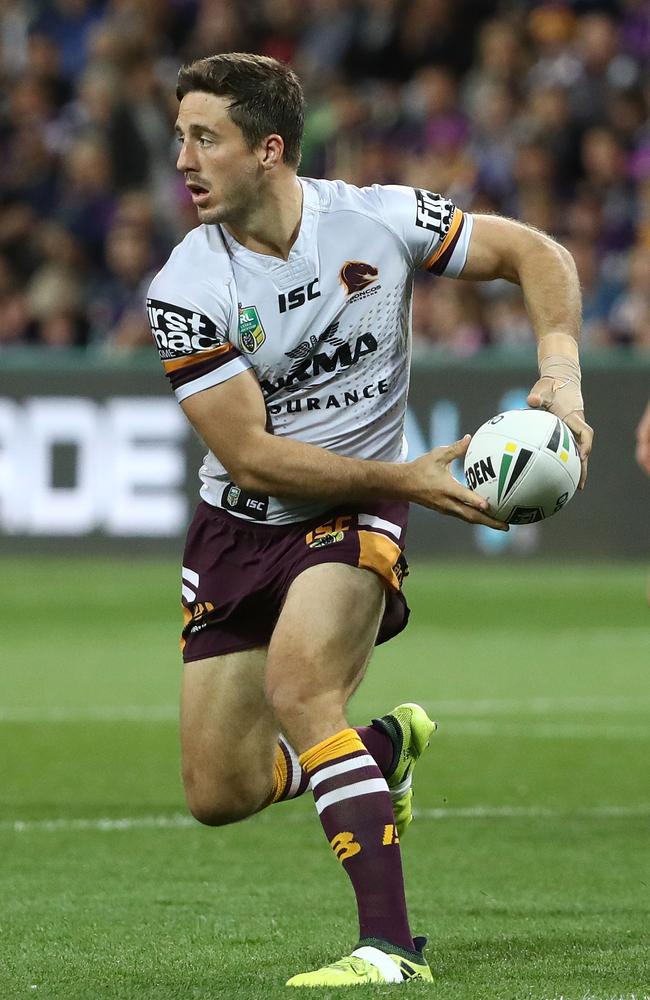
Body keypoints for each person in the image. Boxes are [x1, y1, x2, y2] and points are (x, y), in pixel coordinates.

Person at [145, 52, 593, 988]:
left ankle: (390, 948)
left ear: (268, 150)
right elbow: (251, 455)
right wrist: (409, 474)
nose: (182, 158)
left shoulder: (379, 218)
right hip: (239, 522)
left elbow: (534, 254)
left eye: (204, 138)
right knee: (218, 793)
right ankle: (380, 751)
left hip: (352, 511)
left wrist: (560, 373)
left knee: (303, 690)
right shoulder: (185, 288)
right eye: (180, 135)